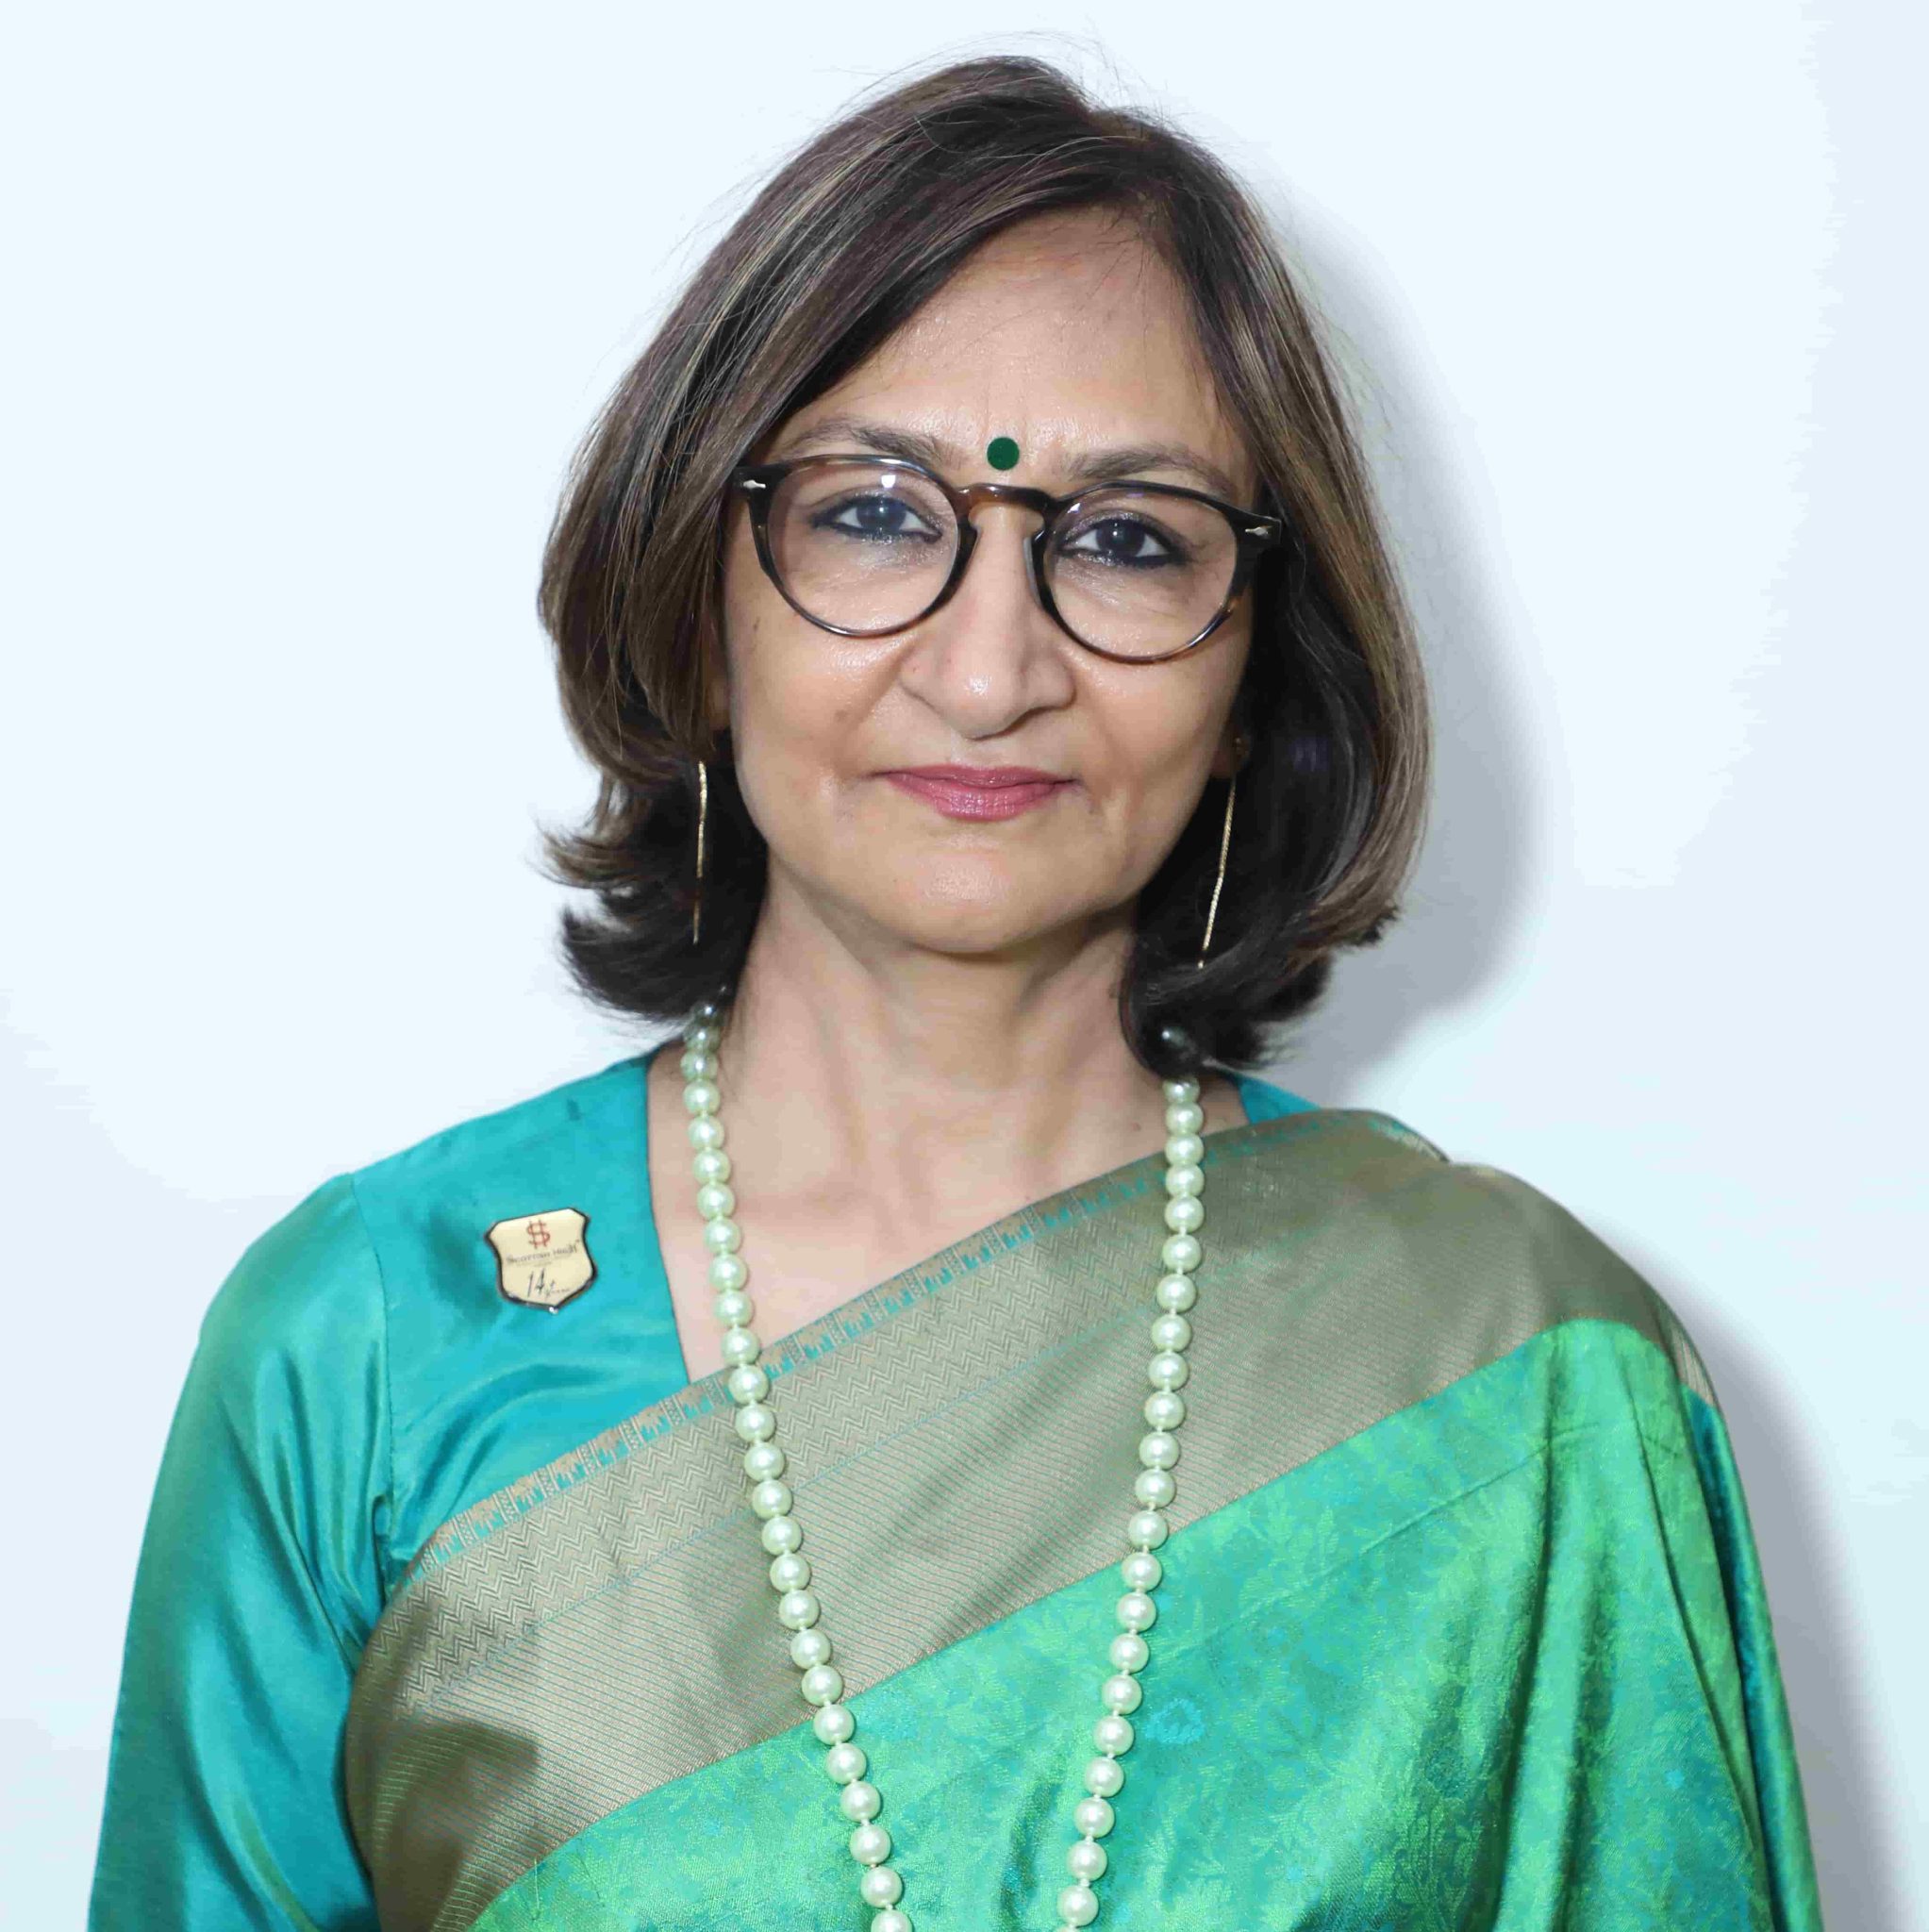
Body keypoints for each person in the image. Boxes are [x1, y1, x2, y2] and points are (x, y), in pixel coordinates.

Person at [89, 54, 1825, 1932]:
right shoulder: (377, 1344)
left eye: (1131, 539)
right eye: (873, 515)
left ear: (1256, 676)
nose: (991, 671)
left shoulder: (1507, 1375)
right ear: (698, 599)